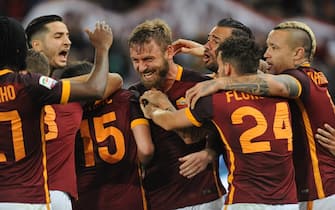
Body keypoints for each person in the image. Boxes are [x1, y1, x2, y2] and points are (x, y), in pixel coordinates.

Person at [185, 21, 335, 209]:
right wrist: (211, 53)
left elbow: (277, 84)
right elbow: (253, 68)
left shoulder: (298, 79)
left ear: (297, 54)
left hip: (317, 194)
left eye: (274, 47)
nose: (266, 54)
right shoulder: (311, 76)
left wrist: (222, 83)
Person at [141, 36, 299, 210]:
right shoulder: (280, 93)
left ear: (227, 67)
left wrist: (155, 108)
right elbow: (261, 75)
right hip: (288, 201)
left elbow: (171, 122)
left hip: (245, 200)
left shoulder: (216, 101)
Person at [0, 16, 112, 210]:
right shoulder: (30, 85)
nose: (67, 41)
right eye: (58, 36)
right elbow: (98, 86)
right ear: (21, 48)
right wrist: (102, 48)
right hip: (34, 196)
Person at [128, 18, 225, 210]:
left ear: (169, 51)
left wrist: (210, 152)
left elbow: (225, 129)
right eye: (135, 61)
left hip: (204, 196)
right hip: (159, 199)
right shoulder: (135, 94)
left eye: (148, 59)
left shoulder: (201, 85)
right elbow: (144, 151)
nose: (141, 68)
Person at [72, 62, 153, 210]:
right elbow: (146, 150)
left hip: (86, 201)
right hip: (130, 198)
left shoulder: (64, 113)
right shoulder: (128, 99)